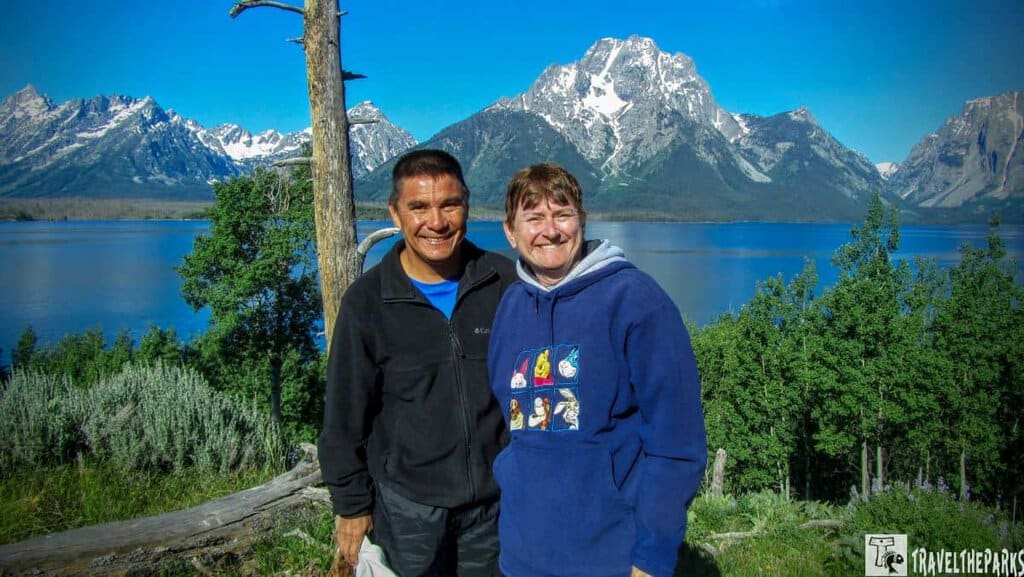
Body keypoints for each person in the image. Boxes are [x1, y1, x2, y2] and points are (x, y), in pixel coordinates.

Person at [487, 162, 707, 577]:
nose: (549, 230)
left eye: (562, 214)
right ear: (510, 231)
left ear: (582, 220)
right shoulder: (511, 307)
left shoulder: (637, 301)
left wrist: (652, 555)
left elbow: (677, 444)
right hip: (520, 556)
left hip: (611, 558)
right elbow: (511, 427)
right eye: (533, 218)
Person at [319, 149, 517, 576]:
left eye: (450, 204)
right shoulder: (368, 302)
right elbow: (343, 416)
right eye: (419, 207)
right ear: (395, 212)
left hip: (495, 508)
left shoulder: (503, 283)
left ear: (466, 204)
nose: (437, 222)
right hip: (409, 511)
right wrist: (351, 506)